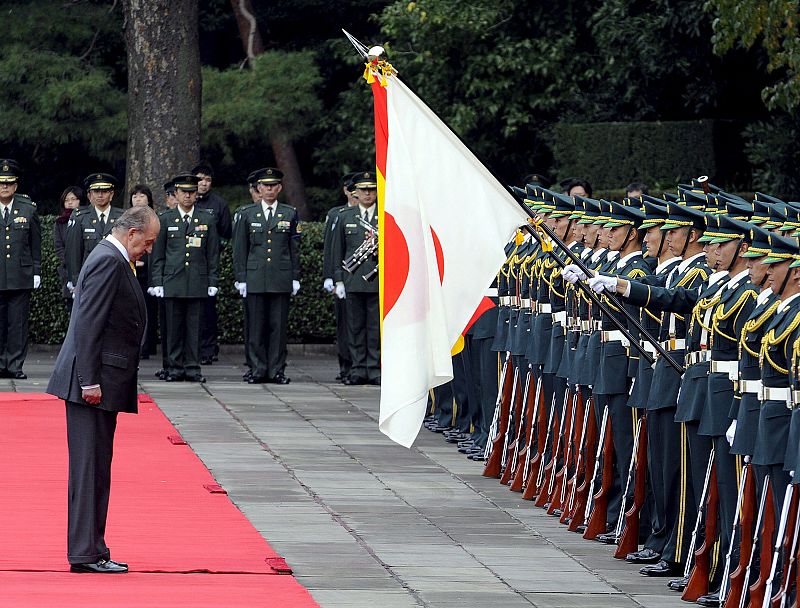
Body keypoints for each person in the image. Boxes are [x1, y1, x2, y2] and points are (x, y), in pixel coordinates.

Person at [46, 204, 160, 574]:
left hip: (98, 380)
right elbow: (88, 323)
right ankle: (85, 552)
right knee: (89, 469)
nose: (148, 250)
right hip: (91, 384)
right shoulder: (109, 260)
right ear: (132, 233)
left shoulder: (111, 257)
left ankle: (92, 549)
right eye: (148, 242)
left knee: (95, 468)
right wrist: (89, 380)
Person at [232, 167, 301, 384]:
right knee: (256, 327)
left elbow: (294, 248)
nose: (269, 190)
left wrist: (295, 276)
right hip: (255, 277)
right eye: (265, 186)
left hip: (280, 277)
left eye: (273, 186)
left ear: (279, 188)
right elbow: (240, 248)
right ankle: (257, 368)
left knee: (278, 328)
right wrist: (241, 277)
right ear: (258, 188)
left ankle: (276, 370)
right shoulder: (247, 213)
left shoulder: (289, 213)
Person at [150, 174, 219, 383]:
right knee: (173, 328)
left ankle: (192, 367)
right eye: (183, 192)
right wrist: (157, 281)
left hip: (197, 280)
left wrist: (213, 281)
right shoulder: (165, 219)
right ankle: (174, 367)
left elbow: (212, 254)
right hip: (172, 280)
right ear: (176, 194)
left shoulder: (207, 219)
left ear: (196, 194)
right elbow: (158, 255)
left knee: (195, 328)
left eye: (191, 192)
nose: (187, 196)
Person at [332, 171, 380, 385]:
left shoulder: (385, 216)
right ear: (355, 192)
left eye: (371, 190)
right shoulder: (345, 216)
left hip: (377, 281)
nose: (368, 194)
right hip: (353, 280)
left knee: (375, 329)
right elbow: (337, 250)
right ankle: (358, 369)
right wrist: (338, 279)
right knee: (354, 328)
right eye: (363, 190)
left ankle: (375, 369)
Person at [0, 159, 41, 379]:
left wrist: (36, 271)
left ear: (16, 185)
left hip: (20, 275)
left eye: (9, 183)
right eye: (1, 183)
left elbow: (35, 244)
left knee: (18, 324)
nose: (4, 186)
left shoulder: (28, 208)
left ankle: (15, 365)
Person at [193, 163, 232, 366]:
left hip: (209, 261)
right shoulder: (187, 202)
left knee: (208, 309)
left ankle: (208, 349)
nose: (204, 183)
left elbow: (226, 233)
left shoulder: (219, 204)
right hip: (188, 262)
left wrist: (215, 247)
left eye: (208, 180)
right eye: (200, 179)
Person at [323, 172, 357, 382]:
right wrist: (330, 276)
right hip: (344, 278)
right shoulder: (337, 214)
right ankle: (346, 365)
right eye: (353, 190)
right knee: (345, 325)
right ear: (346, 190)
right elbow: (331, 248)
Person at [66, 173, 124, 288]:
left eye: (105, 191)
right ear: (90, 195)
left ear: (111, 194)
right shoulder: (80, 217)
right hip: (89, 277)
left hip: (116, 276)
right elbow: (74, 252)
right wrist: (76, 281)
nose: (100, 195)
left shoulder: (122, 217)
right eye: (96, 191)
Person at [129, 185, 159, 359]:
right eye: (135, 196)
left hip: (148, 271)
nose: (138, 199)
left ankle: (146, 346)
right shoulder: (126, 219)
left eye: (142, 196)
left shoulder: (154, 219)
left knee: (148, 310)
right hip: (131, 268)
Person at [53, 186, 83, 312]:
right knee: (72, 310)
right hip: (68, 271)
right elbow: (58, 246)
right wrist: (70, 262)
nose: (70, 202)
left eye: (73, 199)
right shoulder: (60, 223)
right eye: (66, 200)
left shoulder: (86, 219)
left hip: (87, 268)